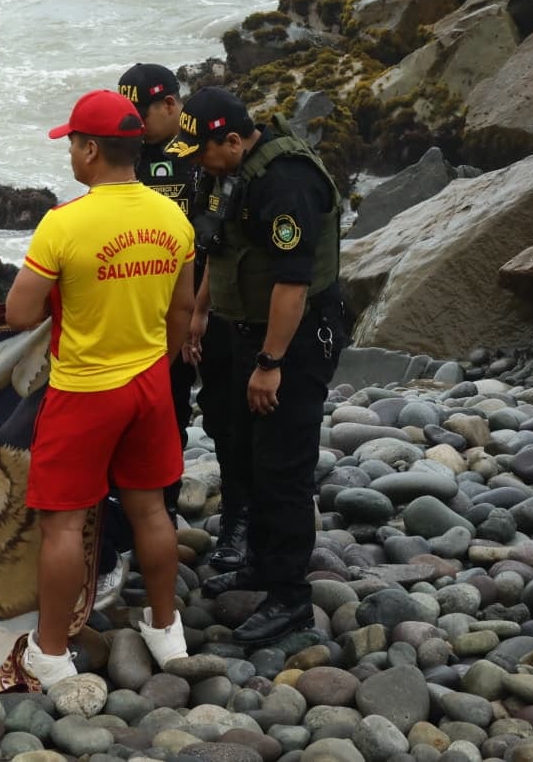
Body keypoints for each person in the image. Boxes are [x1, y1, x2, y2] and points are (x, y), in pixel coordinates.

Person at [5, 89, 195, 688]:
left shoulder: (64, 223)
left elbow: (18, 314)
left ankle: (51, 652)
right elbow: (182, 311)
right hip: (149, 384)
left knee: (63, 526)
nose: (70, 154)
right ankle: (165, 629)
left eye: (72, 144)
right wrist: (155, 363)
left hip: (84, 389)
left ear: (90, 150)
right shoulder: (173, 217)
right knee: (151, 510)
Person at [164, 86, 344, 646]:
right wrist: (200, 313)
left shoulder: (285, 183)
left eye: (201, 152)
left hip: (295, 340)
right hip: (244, 329)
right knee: (246, 450)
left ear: (233, 140)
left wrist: (270, 363)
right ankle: (262, 565)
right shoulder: (229, 172)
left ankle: (290, 597)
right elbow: (221, 250)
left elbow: (292, 284)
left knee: (283, 466)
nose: (197, 164)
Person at [119, 63, 242, 568]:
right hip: (150, 313)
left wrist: (202, 307)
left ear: (169, 104)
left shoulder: (203, 151)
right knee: (158, 417)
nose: (132, 125)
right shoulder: (126, 154)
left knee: (227, 417)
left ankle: (236, 524)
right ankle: (156, 520)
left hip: (213, 307)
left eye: (138, 115)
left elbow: (223, 231)